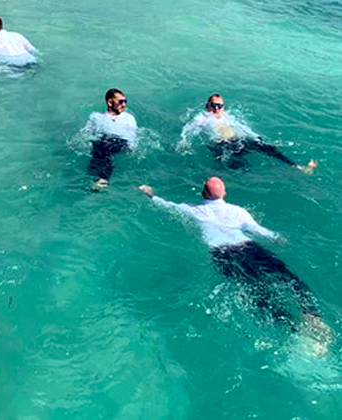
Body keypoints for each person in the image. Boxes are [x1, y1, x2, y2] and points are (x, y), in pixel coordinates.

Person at [139, 177, 331, 354]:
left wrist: (150, 194)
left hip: (223, 255)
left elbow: (168, 206)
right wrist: (278, 238)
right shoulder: (238, 211)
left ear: (203, 194)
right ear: (225, 193)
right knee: (287, 277)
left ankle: (295, 331)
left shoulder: (195, 211)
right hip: (250, 248)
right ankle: (313, 316)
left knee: (257, 296)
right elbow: (261, 232)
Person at [178, 93, 317, 173]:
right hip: (221, 144)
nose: (217, 108)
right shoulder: (202, 117)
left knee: (270, 149)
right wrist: (184, 141)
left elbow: (243, 128)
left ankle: (297, 166)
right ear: (208, 105)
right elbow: (189, 128)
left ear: (223, 107)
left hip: (239, 140)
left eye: (220, 105)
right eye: (214, 105)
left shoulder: (229, 116)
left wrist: (256, 138)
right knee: (238, 166)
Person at [83, 89, 137, 189]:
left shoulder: (129, 119)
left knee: (106, 145)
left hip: (120, 142)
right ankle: (92, 178)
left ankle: (103, 179)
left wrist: (131, 148)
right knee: (98, 145)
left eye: (125, 101)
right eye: (120, 102)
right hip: (102, 143)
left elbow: (132, 137)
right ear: (110, 102)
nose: (124, 104)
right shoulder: (96, 117)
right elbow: (87, 133)